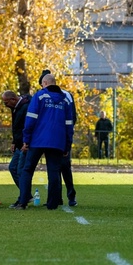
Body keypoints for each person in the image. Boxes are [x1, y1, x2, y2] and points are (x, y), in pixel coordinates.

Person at [15, 73, 74, 210]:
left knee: (27, 169)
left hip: (37, 140)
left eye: (42, 84)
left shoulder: (40, 96)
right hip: (57, 142)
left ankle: (22, 201)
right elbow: (69, 125)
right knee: (54, 172)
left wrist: (26, 140)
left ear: (45, 83)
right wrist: (67, 145)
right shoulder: (65, 100)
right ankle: (52, 204)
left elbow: (30, 119)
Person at [38, 69, 77, 206]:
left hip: (55, 137)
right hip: (59, 136)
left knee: (60, 167)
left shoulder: (52, 95)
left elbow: (71, 117)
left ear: (45, 82)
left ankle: (67, 196)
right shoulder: (65, 95)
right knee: (59, 167)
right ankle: (62, 197)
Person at [2, 90, 31, 208]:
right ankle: (26, 195)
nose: (5, 105)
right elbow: (17, 127)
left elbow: (28, 126)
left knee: (20, 171)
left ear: (13, 99)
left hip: (25, 145)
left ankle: (23, 198)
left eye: (6, 102)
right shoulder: (16, 108)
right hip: (19, 144)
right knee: (13, 168)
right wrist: (14, 141)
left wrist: (26, 142)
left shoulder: (25, 108)